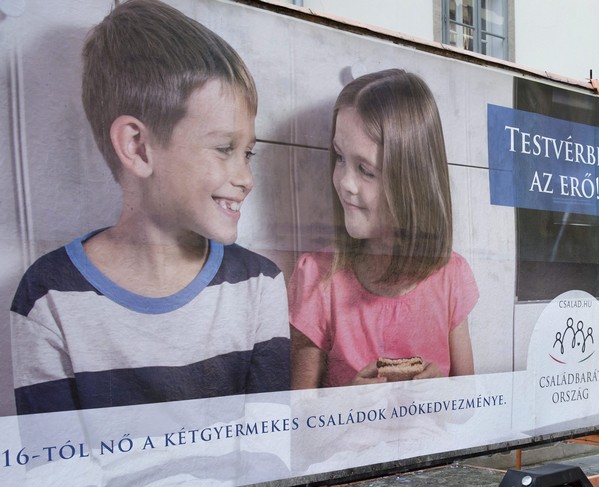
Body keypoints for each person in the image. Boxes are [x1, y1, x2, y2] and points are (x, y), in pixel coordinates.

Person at [8, 0, 290, 415]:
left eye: (248, 152)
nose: (246, 178)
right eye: (224, 148)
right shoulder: (48, 297)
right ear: (138, 147)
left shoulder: (259, 284)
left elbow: (269, 456)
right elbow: (57, 474)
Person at [289, 69, 479, 388]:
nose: (344, 183)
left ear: (413, 183)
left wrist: (442, 393)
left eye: (365, 170)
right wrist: (348, 404)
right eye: (339, 157)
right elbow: (298, 417)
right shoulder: (317, 276)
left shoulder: (451, 275)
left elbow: (468, 405)